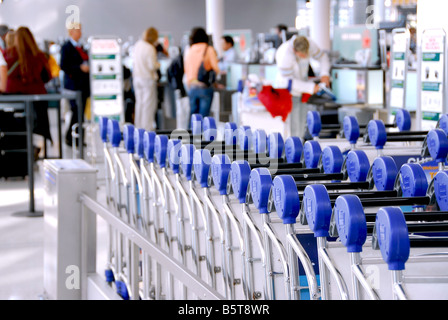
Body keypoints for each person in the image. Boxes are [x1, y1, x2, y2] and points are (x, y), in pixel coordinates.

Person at [4, 26, 53, 143]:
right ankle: (38, 148)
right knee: (38, 127)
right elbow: (47, 76)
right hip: (38, 99)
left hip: (14, 99)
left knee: (15, 128)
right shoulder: (39, 56)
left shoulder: (9, 54)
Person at [60, 22, 90, 146]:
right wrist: (79, 68)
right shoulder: (66, 47)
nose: (80, 33)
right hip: (73, 85)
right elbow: (63, 65)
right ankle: (71, 136)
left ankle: (78, 138)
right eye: (78, 30)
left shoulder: (81, 47)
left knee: (80, 112)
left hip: (83, 85)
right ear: (71, 32)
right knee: (76, 111)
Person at [184, 27, 219, 118]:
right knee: (203, 118)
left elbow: (186, 69)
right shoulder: (208, 49)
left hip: (192, 87)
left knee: (193, 118)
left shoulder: (189, 50)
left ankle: (191, 132)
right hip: (205, 87)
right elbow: (216, 68)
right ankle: (201, 133)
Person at [132, 27, 160, 131]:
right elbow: (152, 66)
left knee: (139, 104)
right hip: (147, 79)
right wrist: (158, 65)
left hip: (137, 78)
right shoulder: (150, 48)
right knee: (148, 105)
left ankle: (139, 127)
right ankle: (147, 129)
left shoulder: (138, 45)